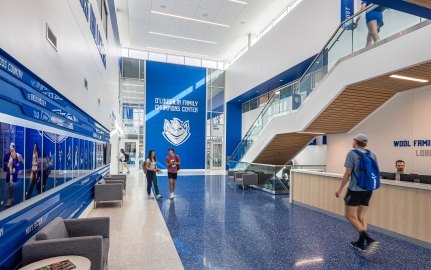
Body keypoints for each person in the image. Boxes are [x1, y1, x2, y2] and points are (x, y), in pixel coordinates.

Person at [335, 134, 379, 253]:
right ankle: (360, 243)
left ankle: (368, 239)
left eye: (353, 140)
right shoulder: (372, 154)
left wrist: (340, 189)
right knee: (361, 217)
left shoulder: (352, 153)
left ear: (356, 142)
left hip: (355, 190)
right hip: (368, 190)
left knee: (349, 215)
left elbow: (347, 173)